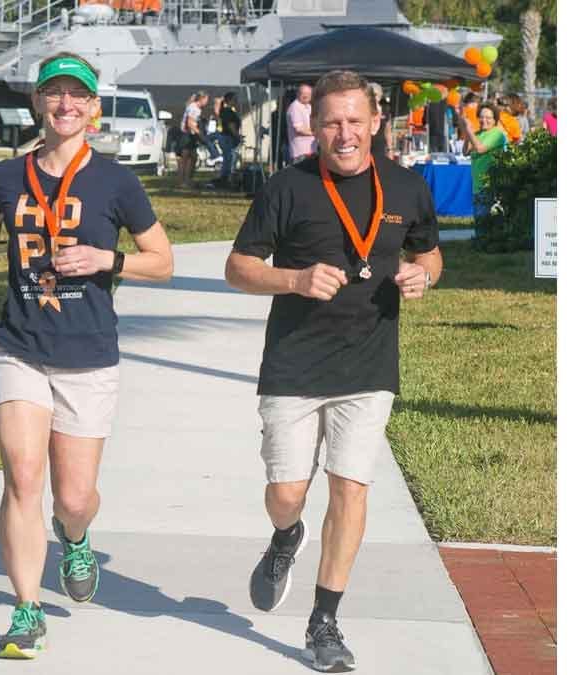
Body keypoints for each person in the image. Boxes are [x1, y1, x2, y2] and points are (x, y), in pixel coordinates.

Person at [0, 50, 174, 660]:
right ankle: (26, 611)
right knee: (23, 478)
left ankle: (74, 538)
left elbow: (163, 261)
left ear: (93, 108)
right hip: (18, 347)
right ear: (38, 103)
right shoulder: (6, 177)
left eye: (77, 95)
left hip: (89, 354)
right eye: (54, 93)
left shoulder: (116, 182)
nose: (65, 104)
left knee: (74, 498)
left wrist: (109, 259)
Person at [224, 69, 442, 672]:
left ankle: (324, 621)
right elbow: (237, 268)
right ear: (313, 127)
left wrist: (423, 275)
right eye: (331, 123)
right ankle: (285, 537)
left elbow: (430, 253)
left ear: (376, 122)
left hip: (369, 363)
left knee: (350, 486)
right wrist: (295, 279)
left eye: (354, 121)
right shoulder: (286, 187)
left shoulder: (406, 188)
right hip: (294, 362)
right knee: (286, 493)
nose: (344, 134)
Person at [458, 101, 507, 220]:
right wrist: (467, 131)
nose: (484, 120)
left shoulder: (497, 134)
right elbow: (465, 151)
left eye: (488, 118)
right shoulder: (478, 134)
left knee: (485, 222)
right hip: (477, 185)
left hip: (490, 186)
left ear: (495, 120)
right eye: (481, 117)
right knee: (479, 221)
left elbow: (480, 149)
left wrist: (469, 130)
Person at [177, 91, 209, 188]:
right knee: (185, 159)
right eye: (206, 99)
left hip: (191, 136)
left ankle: (188, 180)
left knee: (193, 158)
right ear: (201, 99)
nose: (207, 102)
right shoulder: (194, 108)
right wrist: (200, 134)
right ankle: (182, 182)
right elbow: (189, 123)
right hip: (186, 135)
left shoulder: (196, 108)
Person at [212, 91, 242, 188]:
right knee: (229, 158)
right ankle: (225, 178)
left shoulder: (227, 111)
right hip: (228, 137)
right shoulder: (228, 111)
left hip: (226, 137)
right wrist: (237, 135)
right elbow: (231, 125)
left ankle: (225, 178)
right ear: (230, 100)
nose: (237, 101)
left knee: (228, 158)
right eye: (235, 99)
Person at [286, 83, 317, 162]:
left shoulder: (308, 106)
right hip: (301, 152)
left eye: (309, 94)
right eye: (303, 93)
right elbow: (299, 130)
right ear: (297, 94)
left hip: (311, 150)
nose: (306, 96)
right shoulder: (295, 107)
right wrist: (316, 133)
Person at [367, 82, 394, 160]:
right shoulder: (363, 108)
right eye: (371, 94)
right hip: (365, 145)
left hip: (380, 147)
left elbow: (388, 131)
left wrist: (390, 149)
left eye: (376, 94)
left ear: (380, 95)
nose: (374, 97)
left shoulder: (385, 109)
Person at [203, 96, 224, 166]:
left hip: (223, 131)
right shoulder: (216, 113)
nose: (215, 105)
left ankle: (215, 155)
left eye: (216, 104)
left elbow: (219, 117)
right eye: (214, 104)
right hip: (218, 130)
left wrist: (216, 111)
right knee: (208, 138)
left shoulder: (223, 110)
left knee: (206, 139)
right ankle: (214, 155)